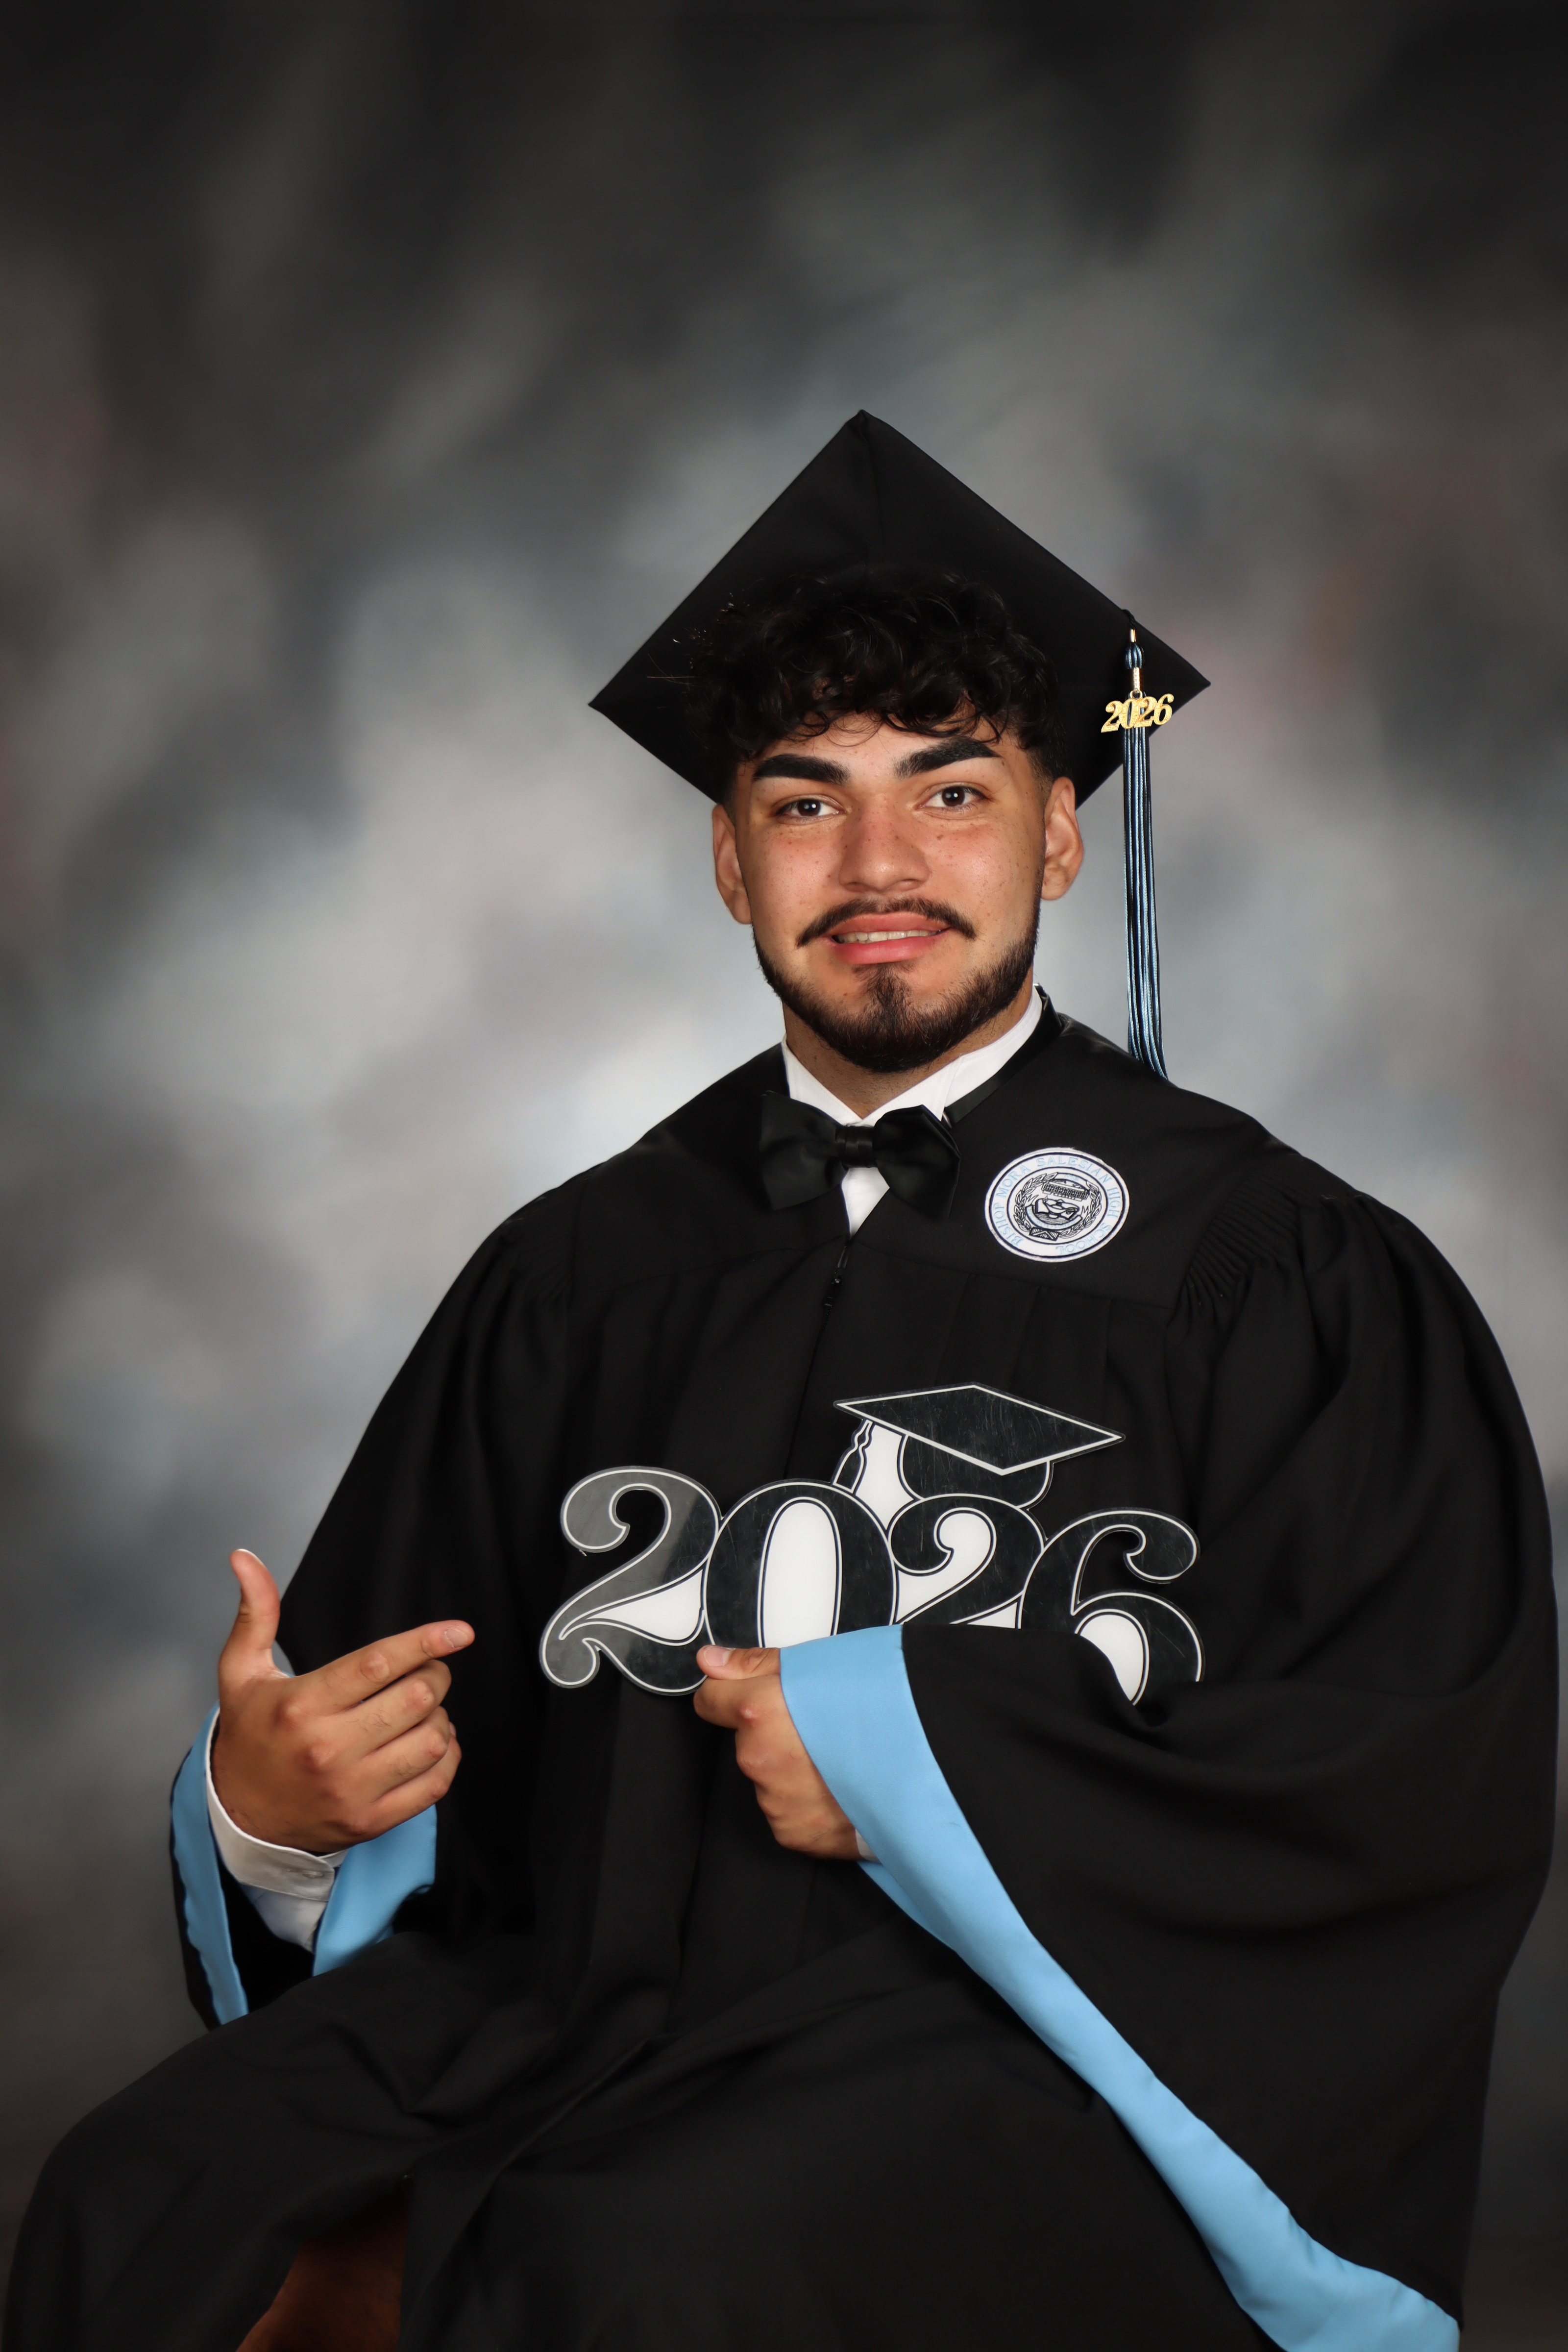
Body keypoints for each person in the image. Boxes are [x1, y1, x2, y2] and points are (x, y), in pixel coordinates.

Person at [5, 415, 1555, 2352]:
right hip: (564, 2011)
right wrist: (271, 1815)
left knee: (647, 2267)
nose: (879, 865)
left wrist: (912, 1759)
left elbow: (1406, 1775)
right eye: (804, 801)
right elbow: (389, 1718)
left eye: (951, 790)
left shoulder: (1270, 1271)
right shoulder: (582, 1273)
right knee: (139, 2196)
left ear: (1060, 833)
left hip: (1008, 2052)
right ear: (729, 860)